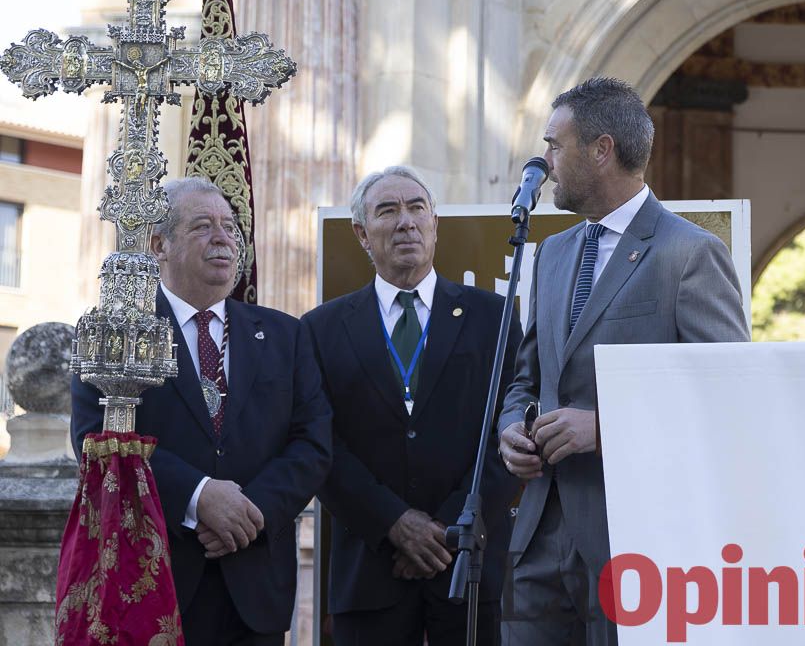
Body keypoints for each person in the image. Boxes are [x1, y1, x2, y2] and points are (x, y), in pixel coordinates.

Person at [498, 77, 751, 644]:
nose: (546, 162)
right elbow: (527, 376)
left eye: (554, 145)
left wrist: (606, 428)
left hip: (638, 544)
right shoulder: (553, 253)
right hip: (537, 538)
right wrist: (511, 426)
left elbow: (730, 396)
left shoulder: (690, 254)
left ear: (601, 150)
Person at [71, 177, 333, 646]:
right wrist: (199, 496)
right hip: (153, 582)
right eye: (203, 226)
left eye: (230, 228)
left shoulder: (286, 335)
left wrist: (249, 513)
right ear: (159, 245)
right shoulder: (118, 330)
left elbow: (312, 442)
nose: (223, 238)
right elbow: (95, 437)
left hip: (255, 586)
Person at [302, 166, 522, 645]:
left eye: (416, 208)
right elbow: (318, 444)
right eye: (388, 211)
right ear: (361, 233)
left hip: (467, 567)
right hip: (370, 569)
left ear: (435, 223)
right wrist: (395, 525)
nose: (406, 222)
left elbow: (509, 434)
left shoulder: (493, 317)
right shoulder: (320, 329)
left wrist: (445, 528)